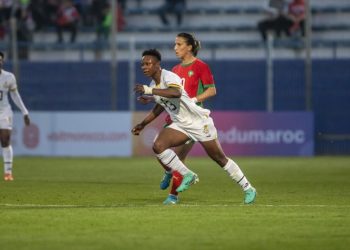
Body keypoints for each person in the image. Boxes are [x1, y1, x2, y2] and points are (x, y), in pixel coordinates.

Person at [132, 49, 257, 204]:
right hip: (180, 124)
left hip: (199, 122)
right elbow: (160, 106)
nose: (144, 67)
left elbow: (175, 93)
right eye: (142, 64)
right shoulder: (153, 84)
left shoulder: (169, 76)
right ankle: (187, 175)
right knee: (158, 146)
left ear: (158, 65)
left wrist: (149, 91)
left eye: (148, 63)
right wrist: (143, 124)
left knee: (219, 158)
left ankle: (248, 188)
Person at [138, 33, 217, 205]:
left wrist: (194, 100)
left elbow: (212, 91)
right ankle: (169, 173)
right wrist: (151, 99)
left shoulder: (201, 66)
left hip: (191, 118)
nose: (175, 48)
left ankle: (173, 196)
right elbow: (167, 96)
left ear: (189, 46)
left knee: (179, 159)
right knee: (160, 150)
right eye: (175, 44)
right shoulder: (174, 70)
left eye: (178, 44)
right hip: (173, 116)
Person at [0, 51, 30, 181]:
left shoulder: (8, 77)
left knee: (5, 139)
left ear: (2, 61)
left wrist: (25, 112)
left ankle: (8, 173)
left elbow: (15, 95)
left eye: (0, 59)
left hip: (4, 111)